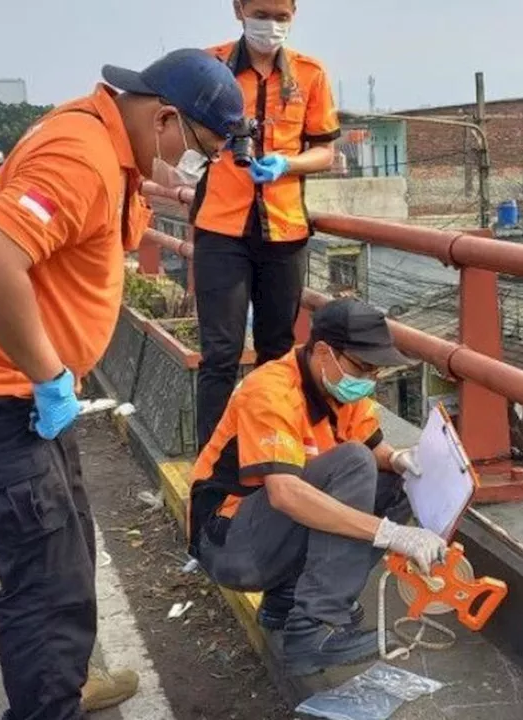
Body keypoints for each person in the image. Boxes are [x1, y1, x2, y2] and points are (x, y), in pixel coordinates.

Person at [0, 49, 244, 720]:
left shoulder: (107, 141)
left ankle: (63, 680)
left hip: (21, 394)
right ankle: (46, 706)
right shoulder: (81, 156)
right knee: (44, 579)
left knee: (71, 544)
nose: (196, 163)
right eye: (200, 149)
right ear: (165, 118)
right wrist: (49, 374)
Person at [186, 297, 445, 677]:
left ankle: (287, 602)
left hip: (267, 535)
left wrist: (398, 460)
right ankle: (313, 629)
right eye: (364, 367)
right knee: (353, 463)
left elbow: (373, 447)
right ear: (324, 351)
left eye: (377, 371)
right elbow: (285, 493)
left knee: (395, 483)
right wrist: (388, 534)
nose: (370, 380)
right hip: (227, 541)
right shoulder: (271, 390)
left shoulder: (339, 387)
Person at [190, 0, 343, 450]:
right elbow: (181, 135)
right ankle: (213, 461)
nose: (270, 25)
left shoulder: (309, 74)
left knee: (277, 351)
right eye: (261, 13)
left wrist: (287, 164)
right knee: (220, 353)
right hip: (221, 230)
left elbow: (326, 151)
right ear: (238, 9)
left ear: (294, 14)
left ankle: (269, 450)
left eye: (281, 16)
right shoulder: (211, 66)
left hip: (284, 231)